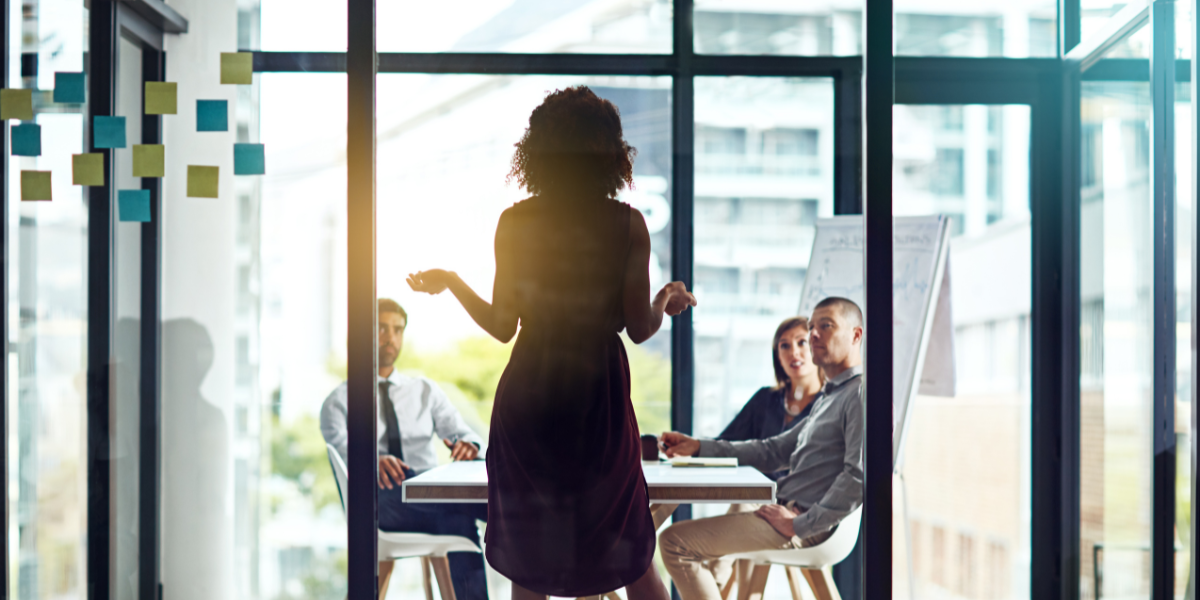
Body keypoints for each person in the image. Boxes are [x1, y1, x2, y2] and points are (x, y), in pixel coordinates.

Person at [407, 86, 696, 600]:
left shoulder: (515, 222)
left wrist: (452, 281)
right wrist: (665, 299)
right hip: (598, 403)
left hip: (530, 400)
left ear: (538, 149)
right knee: (630, 553)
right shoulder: (628, 225)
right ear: (609, 150)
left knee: (531, 563)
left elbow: (501, 326)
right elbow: (639, 328)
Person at [656, 297, 864, 600]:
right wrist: (699, 447)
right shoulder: (830, 397)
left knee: (675, 543)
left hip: (807, 523)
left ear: (856, 335)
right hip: (787, 509)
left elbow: (857, 477)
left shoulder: (859, 395)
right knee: (696, 537)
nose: (814, 335)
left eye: (826, 326)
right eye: (812, 327)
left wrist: (798, 524)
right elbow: (773, 450)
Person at [319, 299, 488, 600]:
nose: (390, 337)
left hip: (432, 499)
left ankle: (509, 513)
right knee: (478, 513)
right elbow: (343, 459)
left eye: (397, 330)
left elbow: (463, 433)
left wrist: (468, 445)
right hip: (381, 505)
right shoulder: (339, 402)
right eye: (382, 329)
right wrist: (371, 460)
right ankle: (518, 516)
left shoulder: (425, 390)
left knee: (461, 519)